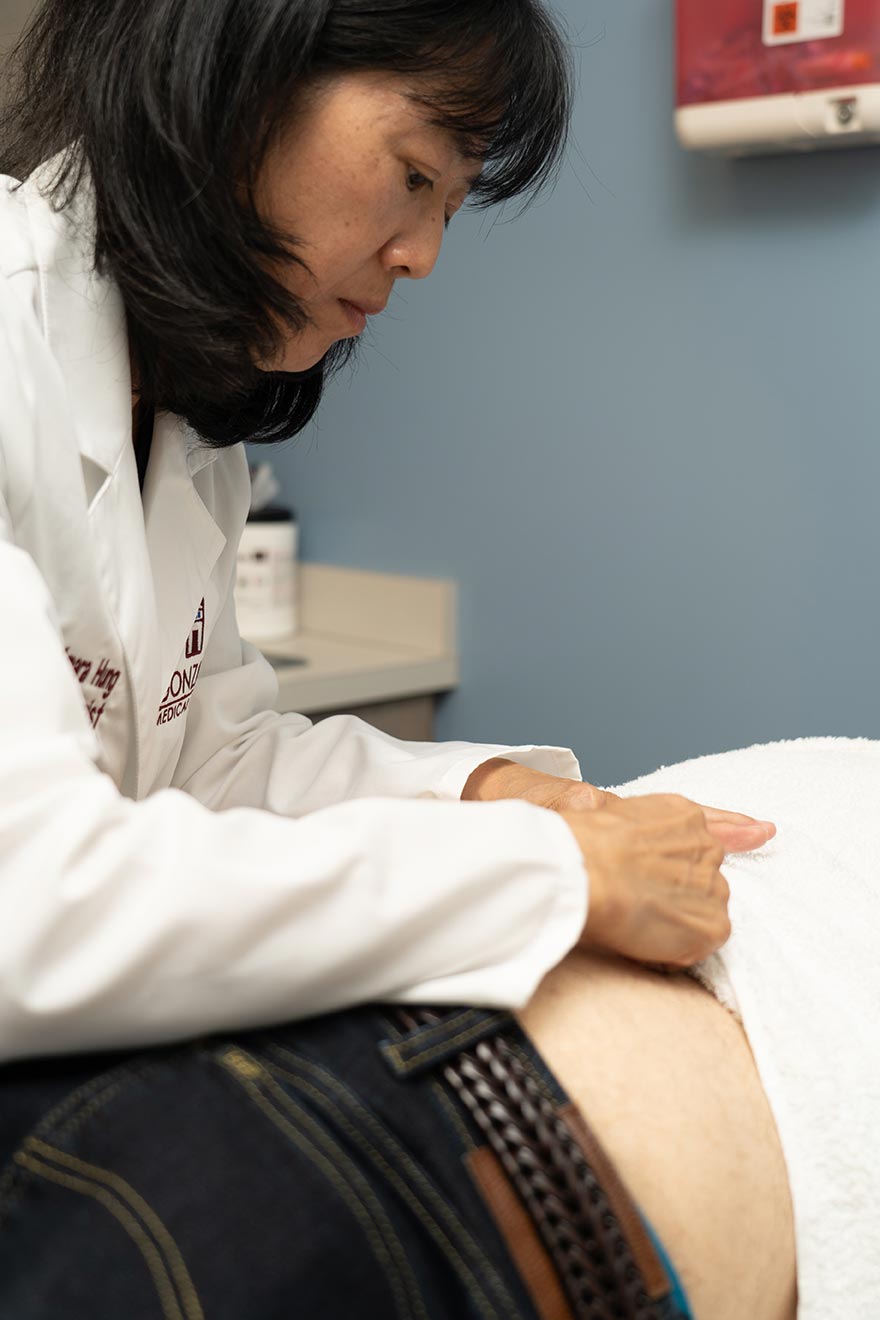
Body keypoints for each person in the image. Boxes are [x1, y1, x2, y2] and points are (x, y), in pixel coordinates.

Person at [4, 1, 861, 1316]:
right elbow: (33, 909)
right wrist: (547, 873)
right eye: (414, 175)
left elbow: (216, 755)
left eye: (453, 204)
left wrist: (483, 796)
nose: (423, 257)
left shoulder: (178, 421)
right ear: (232, 72)